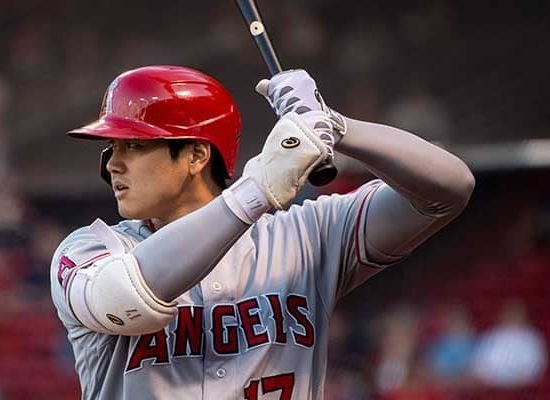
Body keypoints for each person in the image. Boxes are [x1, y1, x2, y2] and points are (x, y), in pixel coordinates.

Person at [49, 66, 475, 399]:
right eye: (112, 148)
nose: (112, 164)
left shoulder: (306, 235)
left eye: (134, 145)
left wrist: (336, 126)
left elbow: (450, 189)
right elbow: (123, 297)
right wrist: (254, 194)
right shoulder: (91, 249)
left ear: (196, 155)